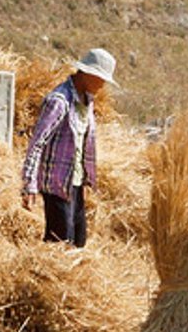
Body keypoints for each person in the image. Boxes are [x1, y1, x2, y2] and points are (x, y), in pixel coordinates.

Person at [20, 48, 117, 248]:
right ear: (89, 74)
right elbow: (37, 143)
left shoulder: (87, 102)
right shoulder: (59, 100)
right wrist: (29, 185)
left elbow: (82, 144)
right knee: (60, 243)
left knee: (78, 242)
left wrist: (86, 181)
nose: (103, 85)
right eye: (101, 78)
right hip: (56, 183)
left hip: (75, 182)